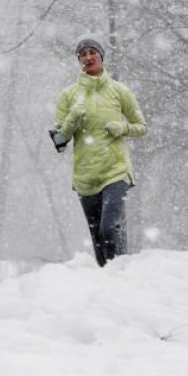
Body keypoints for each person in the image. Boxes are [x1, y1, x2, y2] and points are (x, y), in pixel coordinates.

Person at [52, 36, 147, 266]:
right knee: (97, 239)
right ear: (78, 60)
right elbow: (59, 141)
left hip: (116, 171)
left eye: (92, 52)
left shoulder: (119, 91)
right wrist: (72, 120)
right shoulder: (68, 95)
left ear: (101, 56)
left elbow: (141, 127)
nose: (87, 57)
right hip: (86, 176)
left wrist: (122, 128)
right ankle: (108, 283)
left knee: (109, 229)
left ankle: (121, 275)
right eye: (82, 54)